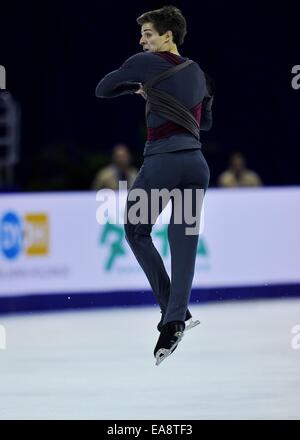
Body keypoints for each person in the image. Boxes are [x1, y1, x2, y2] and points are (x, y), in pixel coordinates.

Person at [95, 5, 213, 365]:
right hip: (196, 166)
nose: (142, 39)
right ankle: (175, 316)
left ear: (167, 37)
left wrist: (141, 85)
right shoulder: (200, 74)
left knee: (135, 229)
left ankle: (173, 314)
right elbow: (204, 122)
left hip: (163, 163)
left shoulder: (147, 63)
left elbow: (103, 88)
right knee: (183, 241)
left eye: (148, 33)